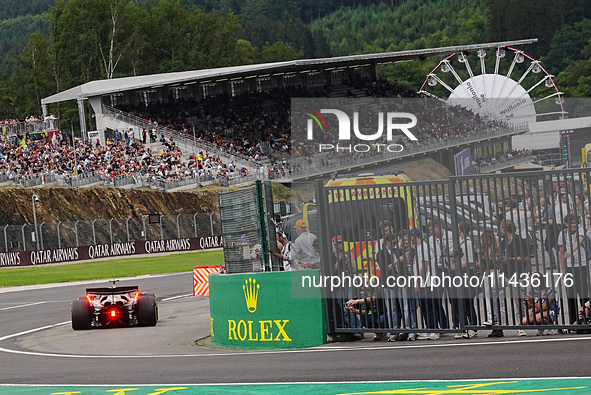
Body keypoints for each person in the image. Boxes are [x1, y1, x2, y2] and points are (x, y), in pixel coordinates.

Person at [558, 213, 590, 325]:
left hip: (581, 265)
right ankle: (573, 322)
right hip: (569, 267)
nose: (574, 225)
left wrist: (571, 251)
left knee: (583, 293)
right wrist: (563, 270)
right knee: (571, 295)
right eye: (571, 223)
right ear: (566, 224)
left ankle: (586, 319)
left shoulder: (580, 229)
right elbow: (561, 253)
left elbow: (580, 240)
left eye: (575, 222)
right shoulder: (563, 233)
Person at [499, 219, 529, 336]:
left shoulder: (518, 241)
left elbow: (525, 258)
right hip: (505, 273)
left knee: (518, 300)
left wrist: (511, 259)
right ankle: (499, 322)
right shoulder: (503, 242)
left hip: (517, 273)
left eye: (501, 228)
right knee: (496, 293)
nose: (500, 230)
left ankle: (520, 325)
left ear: (505, 229)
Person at [450, 222, 478, 339]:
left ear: (460, 230)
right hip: (459, 275)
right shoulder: (462, 243)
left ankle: (472, 327)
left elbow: (471, 263)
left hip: (466, 274)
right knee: (456, 302)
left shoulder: (468, 244)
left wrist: (456, 266)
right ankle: (464, 326)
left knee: (467, 302)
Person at [479, 229, 506, 337]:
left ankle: (499, 325)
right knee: (488, 299)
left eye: (488, 240)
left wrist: (490, 258)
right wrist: (481, 258)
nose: (486, 242)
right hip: (486, 274)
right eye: (484, 240)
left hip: (495, 273)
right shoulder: (481, 250)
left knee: (496, 300)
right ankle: (493, 323)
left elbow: (499, 265)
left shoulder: (497, 249)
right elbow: (480, 266)